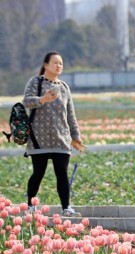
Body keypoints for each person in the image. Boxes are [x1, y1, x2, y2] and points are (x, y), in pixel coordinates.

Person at [23, 51, 83, 216]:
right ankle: (30, 205)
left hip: (61, 139)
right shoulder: (36, 82)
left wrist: (76, 136)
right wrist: (42, 99)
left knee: (62, 173)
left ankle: (66, 208)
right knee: (38, 173)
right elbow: (26, 101)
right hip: (38, 137)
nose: (58, 66)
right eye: (55, 63)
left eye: (61, 63)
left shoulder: (64, 87)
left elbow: (70, 114)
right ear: (45, 65)